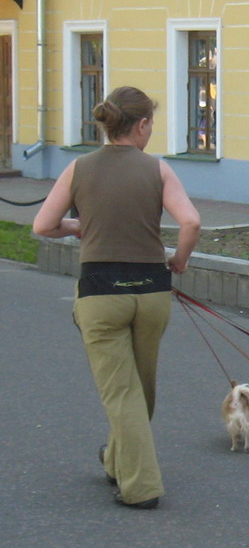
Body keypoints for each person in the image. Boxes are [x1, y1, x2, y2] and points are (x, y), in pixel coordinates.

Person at [33, 86, 201, 508]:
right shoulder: (158, 169)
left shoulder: (79, 169)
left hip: (101, 294)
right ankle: (115, 461)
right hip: (151, 294)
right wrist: (179, 260)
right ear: (142, 124)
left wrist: (77, 226)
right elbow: (191, 222)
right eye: (151, 124)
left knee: (121, 392)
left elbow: (43, 225)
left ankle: (140, 487)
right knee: (140, 388)